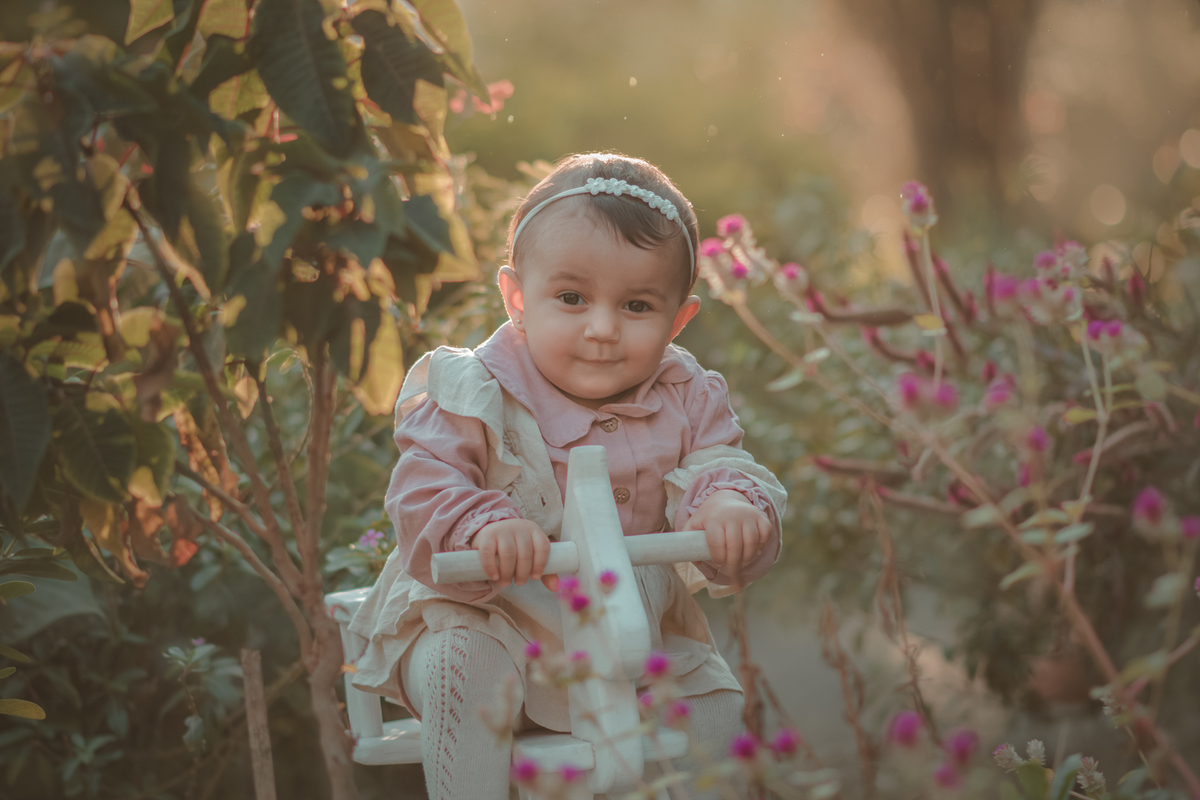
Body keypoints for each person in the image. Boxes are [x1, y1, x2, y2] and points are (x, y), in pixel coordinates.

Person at [349, 152, 786, 799]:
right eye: (572, 298)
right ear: (517, 298)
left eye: (637, 305)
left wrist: (725, 505)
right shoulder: (474, 388)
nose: (602, 329)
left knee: (717, 708)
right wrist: (484, 524)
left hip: (627, 635)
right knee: (462, 670)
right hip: (482, 616)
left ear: (678, 319)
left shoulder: (685, 392)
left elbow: (719, 459)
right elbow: (424, 486)